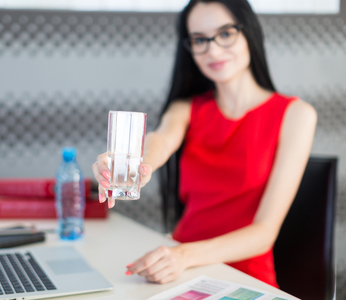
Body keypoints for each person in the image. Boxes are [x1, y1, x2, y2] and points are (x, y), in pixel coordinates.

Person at [92, 0, 317, 287]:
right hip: (175, 270)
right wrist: (136, 163)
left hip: (241, 277)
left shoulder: (295, 115)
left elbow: (264, 233)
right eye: (200, 39)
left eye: (225, 34)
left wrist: (184, 255)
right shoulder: (187, 108)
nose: (212, 50)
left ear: (250, 33)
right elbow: (160, 140)